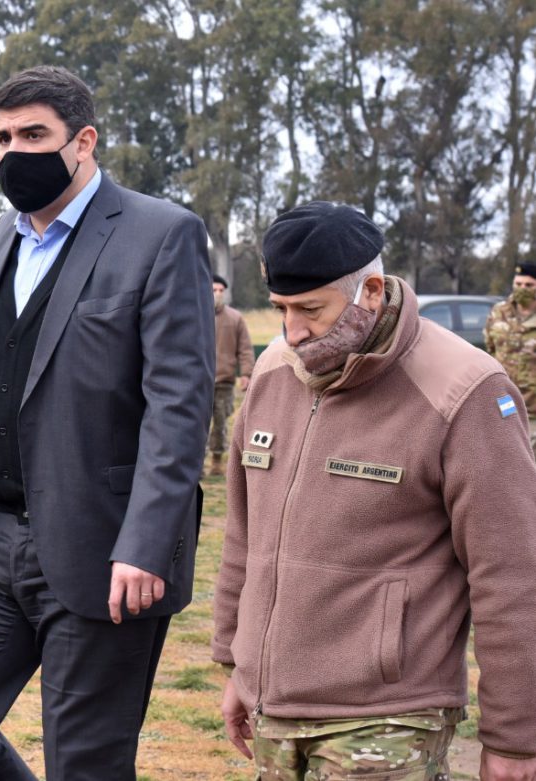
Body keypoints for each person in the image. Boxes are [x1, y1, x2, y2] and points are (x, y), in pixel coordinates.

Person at [0, 66, 214, 781]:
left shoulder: (161, 234)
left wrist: (145, 539)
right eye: (4, 138)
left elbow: (178, 403)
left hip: (104, 544)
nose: (15, 153)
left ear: (84, 141)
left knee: (88, 760)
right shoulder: (8, 233)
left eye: (34, 134)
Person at [213, 201, 536, 781]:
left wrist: (515, 738)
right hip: (273, 709)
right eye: (280, 308)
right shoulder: (272, 373)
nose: (291, 332)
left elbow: (513, 574)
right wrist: (238, 663)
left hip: (388, 719)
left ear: (371, 290)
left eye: (311, 309)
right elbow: (244, 532)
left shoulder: (465, 391)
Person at [485, 262, 536, 458]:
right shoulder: (499, 311)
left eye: (529, 285)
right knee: (504, 459)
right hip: (503, 403)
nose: (522, 289)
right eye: (518, 284)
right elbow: (490, 349)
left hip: (533, 409)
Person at [206, 273, 254, 476]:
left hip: (224, 381)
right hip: (199, 382)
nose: (218, 294)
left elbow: (245, 348)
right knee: (194, 423)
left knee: (221, 422)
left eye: (221, 291)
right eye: (214, 290)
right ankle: (195, 465)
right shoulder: (196, 315)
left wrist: (246, 373)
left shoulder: (235, 318)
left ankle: (217, 462)